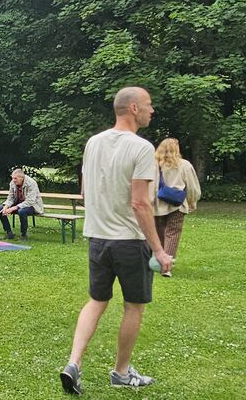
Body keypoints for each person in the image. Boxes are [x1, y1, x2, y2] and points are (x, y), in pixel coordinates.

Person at [60, 87, 173, 395]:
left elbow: (85, 192)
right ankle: (121, 372)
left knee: (97, 300)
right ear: (134, 108)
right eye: (149, 105)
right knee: (134, 306)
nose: (153, 111)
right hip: (128, 241)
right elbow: (140, 203)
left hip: (97, 238)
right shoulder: (140, 147)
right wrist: (159, 249)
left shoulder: (93, 143)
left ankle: (74, 363)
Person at [153, 138, 201, 277]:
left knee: (159, 233)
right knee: (172, 233)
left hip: (157, 205)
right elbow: (192, 187)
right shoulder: (184, 165)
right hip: (177, 205)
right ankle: (167, 267)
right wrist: (192, 202)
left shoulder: (154, 165)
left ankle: (159, 261)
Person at [0, 168, 44, 241]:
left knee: (21, 211)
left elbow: (30, 201)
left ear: (22, 177)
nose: (14, 180)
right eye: (12, 178)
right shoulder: (12, 183)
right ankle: (9, 233)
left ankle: (23, 235)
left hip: (32, 205)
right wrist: (6, 206)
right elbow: (11, 197)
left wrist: (12, 208)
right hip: (18, 203)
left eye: (15, 178)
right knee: (0, 209)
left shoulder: (31, 183)